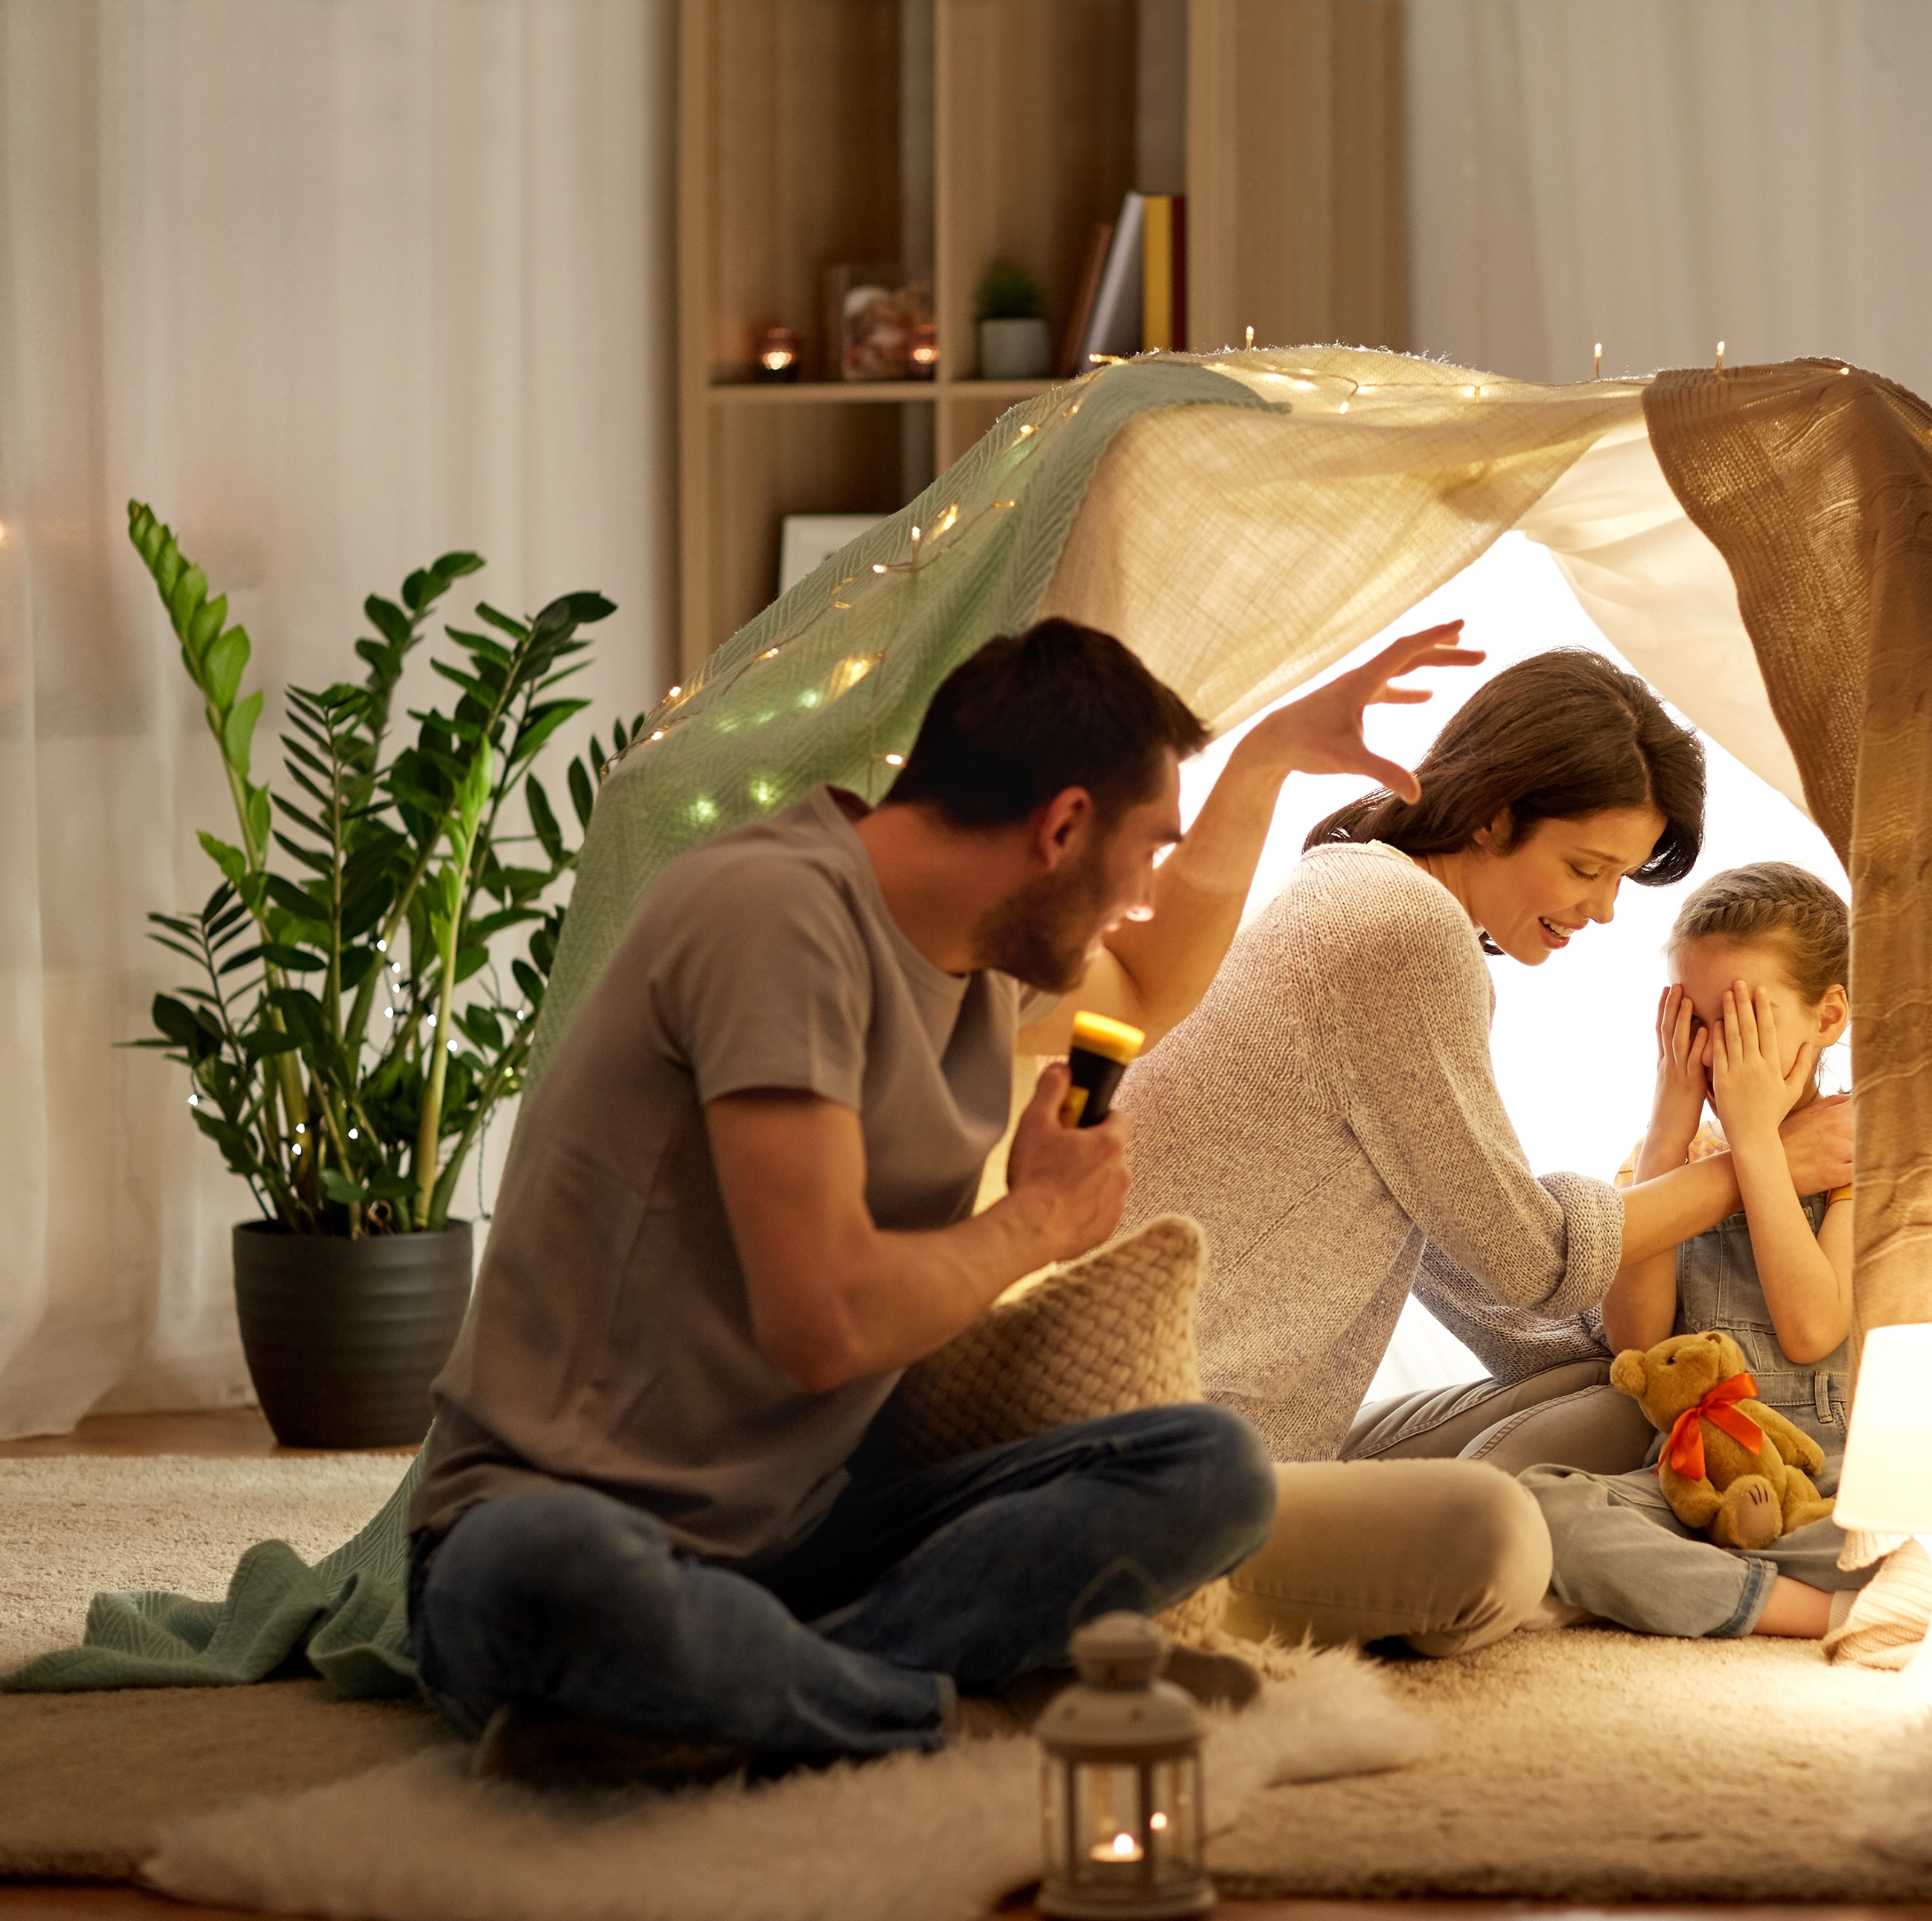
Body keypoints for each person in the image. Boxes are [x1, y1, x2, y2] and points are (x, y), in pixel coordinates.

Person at [406, 615, 1476, 1774]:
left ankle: (732, 1696)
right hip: (551, 1521)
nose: (1143, 887)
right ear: (1061, 825)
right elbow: (823, 1325)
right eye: (1147, 847)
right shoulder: (772, 914)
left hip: (800, 1534)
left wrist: (1264, 758)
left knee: (1205, 1470)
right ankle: (927, 1711)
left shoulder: (972, 957)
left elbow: (1157, 978)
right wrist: (1032, 1224)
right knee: (559, 1576)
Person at [1115, 650, 1855, 1657]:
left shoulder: (1352, 892)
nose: (1599, 910)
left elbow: (1469, 1252)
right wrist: (1756, 1160)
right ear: (1491, 813)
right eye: (1586, 869)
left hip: (1223, 1435)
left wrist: (1626, 1360)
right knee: (1499, 1540)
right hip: (1163, 1457)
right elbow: (1530, 1258)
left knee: (1606, 1388)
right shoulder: (1399, 931)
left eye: (1617, 881)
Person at [1517, 861, 1874, 1640]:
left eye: (1746, 1017)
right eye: (1697, 1022)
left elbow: (1811, 1331)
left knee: (1920, 1533)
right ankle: (1802, 1611)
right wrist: (1670, 1131)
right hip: (1693, 1482)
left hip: (1825, 1484)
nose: (1718, 1054)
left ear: (1828, 1015)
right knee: (1538, 1509)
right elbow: (1638, 1342)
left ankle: (1716, 1586)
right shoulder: (1675, 1163)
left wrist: (1755, 1140)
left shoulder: (1857, 1148)